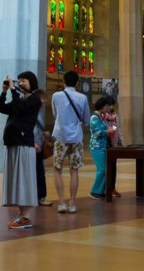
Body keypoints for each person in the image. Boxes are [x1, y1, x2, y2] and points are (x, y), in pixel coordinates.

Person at [0, 70, 43, 229]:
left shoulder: (35, 100)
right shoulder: (21, 100)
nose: (20, 83)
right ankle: (21, 215)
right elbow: (1, 108)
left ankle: (26, 217)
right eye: (19, 80)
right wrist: (4, 92)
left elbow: (20, 107)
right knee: (16, 181)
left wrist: (12, 90)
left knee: (24, 180)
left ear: (32, 83)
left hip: (24, 144)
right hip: (13, 142)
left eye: (24, 80)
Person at [51, 70, 89, 213]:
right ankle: (72, 203)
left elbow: (56, 114)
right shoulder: (82, 98)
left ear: (63, 82)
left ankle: (61, 202)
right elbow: (85, 120)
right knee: (74, 171)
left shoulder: (56, 96)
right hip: (76, 138)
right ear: (77, 83)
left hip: (61, 136)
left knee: (57, 169)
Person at [88, 95, 113, 199]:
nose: (108, 109)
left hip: (103, 147)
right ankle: (95, 191)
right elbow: (98, 132)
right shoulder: (94, 118)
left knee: (103, 169)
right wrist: (108, 131)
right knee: (102, 169)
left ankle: (100, 190)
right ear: (102, 107)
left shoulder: (101, 118)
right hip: (96, 147)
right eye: (106, 106)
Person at [34, 90, 53, 206]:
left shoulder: (40, 113)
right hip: (33, 146)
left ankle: (41, 196)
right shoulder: (30, 112)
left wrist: (46, 134)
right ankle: (35, 196)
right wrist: (33, 143)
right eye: (42, 101)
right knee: (36, 173)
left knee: (40, 173)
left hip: (39, 146)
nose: (43, 104)